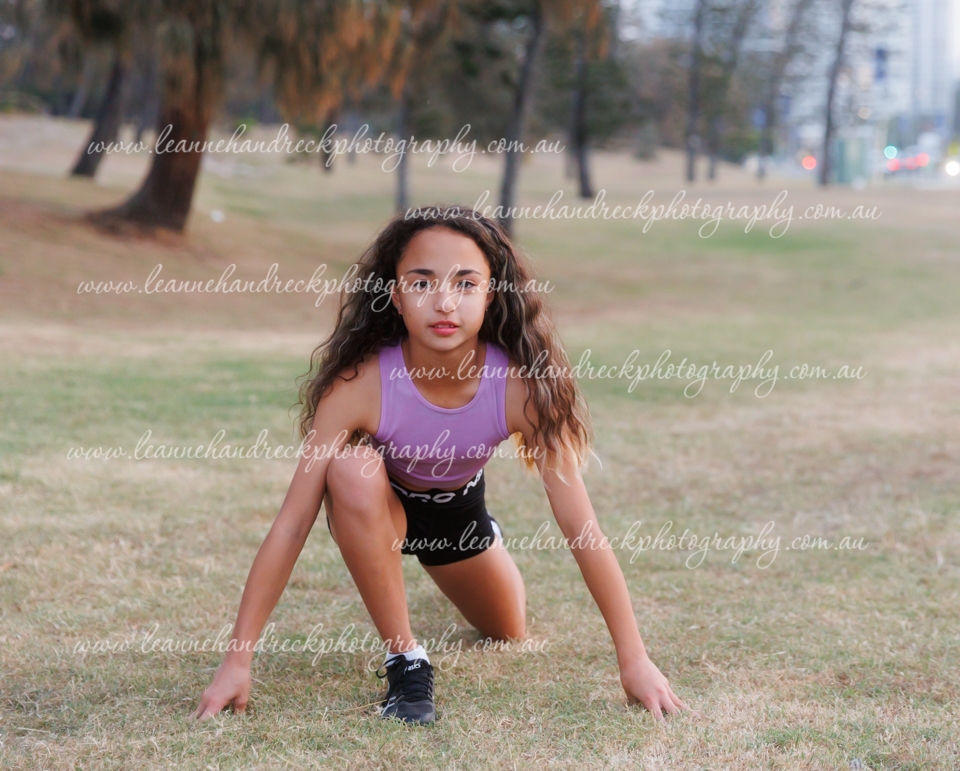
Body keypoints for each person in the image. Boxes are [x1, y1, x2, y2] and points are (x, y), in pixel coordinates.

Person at [193, 205, 692, 725]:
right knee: (351, 468)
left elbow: (581, 527)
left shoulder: (520, 387)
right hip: (378, 505)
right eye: (422, 282)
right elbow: (292, 524)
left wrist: (634, 658)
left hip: (456, 514)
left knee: (507, 630)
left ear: (491, 294)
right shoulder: (358, 385)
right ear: (395, 295)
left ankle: (489, 538)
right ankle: (406, 660)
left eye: (466, 283)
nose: (445, 302)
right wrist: (237, 661)